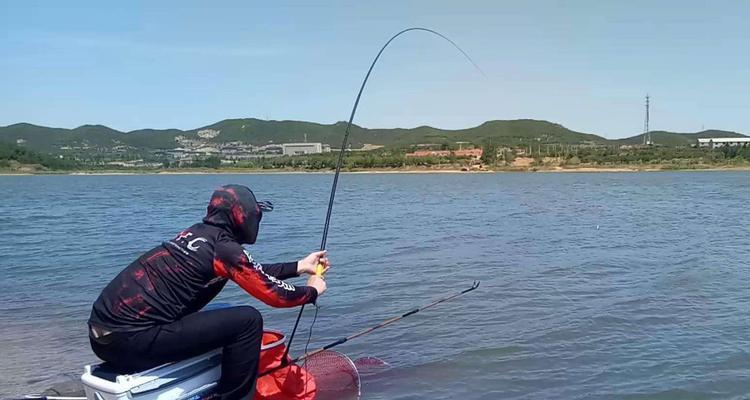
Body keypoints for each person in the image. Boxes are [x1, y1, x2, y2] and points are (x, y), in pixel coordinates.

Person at [87, 184, 328, 400]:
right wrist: (312, 291)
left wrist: (299, 266)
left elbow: (250, 271)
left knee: (224, 312)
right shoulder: (224, 249)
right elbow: (274, 295)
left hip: (103, 338)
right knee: (247, 320)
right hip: (129, 342)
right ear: (242, 218)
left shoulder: (198, 234)